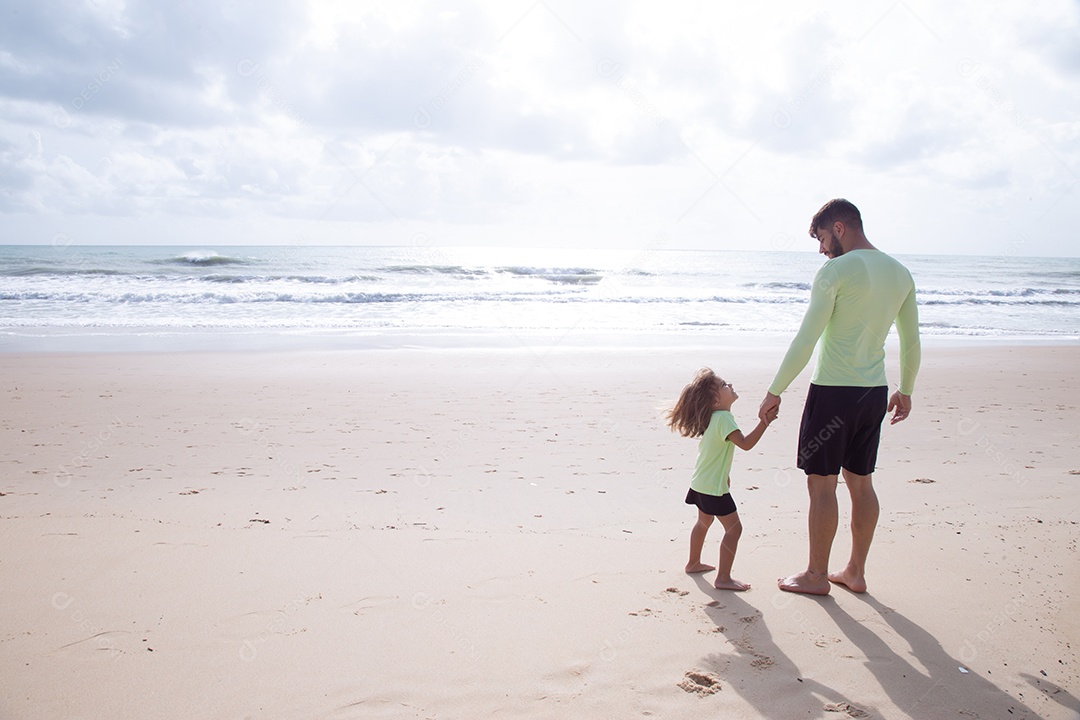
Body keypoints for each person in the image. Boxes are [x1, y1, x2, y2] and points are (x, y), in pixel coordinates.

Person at [759, 198, 921, 596]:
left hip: (833, 392)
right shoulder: (901, 273)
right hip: (873, 394)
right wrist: (907, 389)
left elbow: (807, 337)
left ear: (839, 228)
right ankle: (855, 572)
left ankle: (816, 575)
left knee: (822, 486)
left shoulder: (836, 270)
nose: (821, 249)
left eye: (820, 238)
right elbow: (911, 341)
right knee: (861, 483)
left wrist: (775, 390)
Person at [667, 367, 778, 591]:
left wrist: (724, 475)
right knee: (734, 529)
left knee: (703, 522)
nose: (730, 385)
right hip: (711, 488)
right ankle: (723, 578)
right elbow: (745, 444)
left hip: (700, 483)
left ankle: (693, 562)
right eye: (724, 385)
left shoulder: (714, 418)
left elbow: (715, 452)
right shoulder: (724, 418)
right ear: (716, 400)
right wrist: (765, 422)